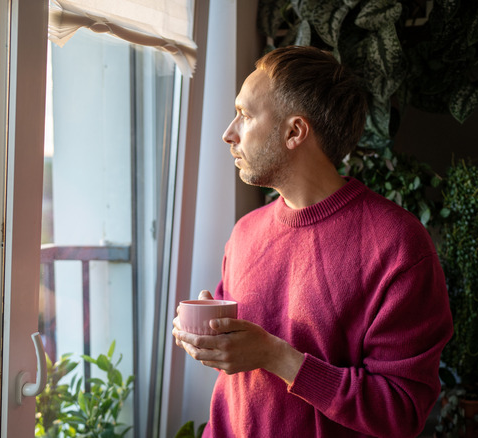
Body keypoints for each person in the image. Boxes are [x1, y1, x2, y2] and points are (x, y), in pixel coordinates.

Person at [171, 45, 453, 437]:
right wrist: (213, 340)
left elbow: (400, 411)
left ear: (294, 132)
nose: (228, 133)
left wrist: (276, 356)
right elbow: (239, 357)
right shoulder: (245, 232)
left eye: (245, 115)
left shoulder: (399, 246)